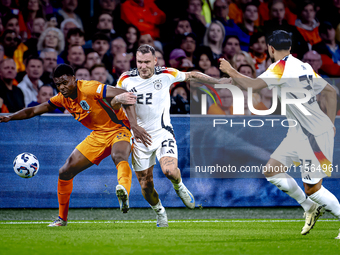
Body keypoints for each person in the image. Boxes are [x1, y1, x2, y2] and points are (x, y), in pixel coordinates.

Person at [219, 30, 340, 237]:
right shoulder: (304, 66)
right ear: (290, 48)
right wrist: (330, 122)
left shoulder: (280, 68)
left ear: (270, 48)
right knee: (272, 171)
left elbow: (254, 86)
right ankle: (308, 207)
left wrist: (231, 70)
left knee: (313, 189)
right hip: (300, 132)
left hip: (314, 134)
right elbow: (330, 92)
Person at [0, 63, 149, 227]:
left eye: (65, 82)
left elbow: (126, 95)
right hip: (98, 135)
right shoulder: (62, 98)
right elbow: (34, 111)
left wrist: (134, 125)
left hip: (121, 128)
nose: (62, 87)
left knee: (118, 156)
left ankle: (123, 191)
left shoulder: (90, 88)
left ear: (74, 78)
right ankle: (62, 219)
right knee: (65, 171)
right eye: (58, 84)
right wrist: (10, 117)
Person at [115, 44, 229, 227]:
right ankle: (160, 212)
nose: (143, 66)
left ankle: (179, 186)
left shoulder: (166, 74)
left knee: (169, 171)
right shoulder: (125, 79)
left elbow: (191, 75)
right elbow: (112, 102)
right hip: (138, 137)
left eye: (146, 62)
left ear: (155, 61)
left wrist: (217, 82)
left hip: (162, 133)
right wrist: (118, 99)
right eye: (139, 62)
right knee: (145, 184)